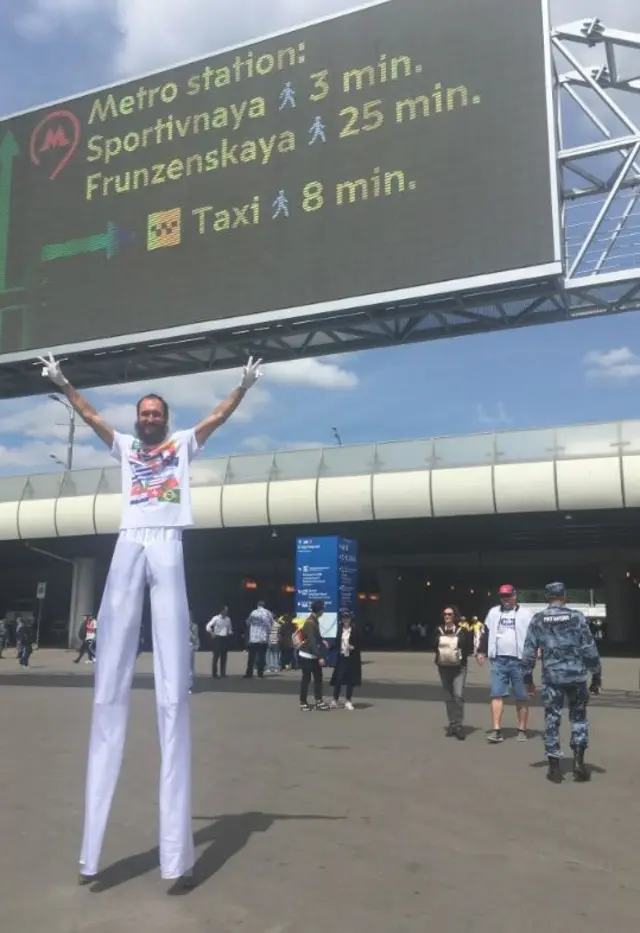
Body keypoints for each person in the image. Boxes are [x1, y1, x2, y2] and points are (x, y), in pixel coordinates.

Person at [38, 350, 262, 887]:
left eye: (156, 411)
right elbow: (91, 416)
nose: (149, 417)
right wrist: (65, 381)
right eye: (144, 412)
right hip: (130, 539)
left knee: (171, 692)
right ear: (138, 417)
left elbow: (217, 418)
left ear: (165, 417)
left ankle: (174, 856)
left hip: (167, 543)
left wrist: (244, 386)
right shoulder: (126, 447)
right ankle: (91, 855)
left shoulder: (182, 444)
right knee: (109, 680)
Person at [521, 582, 602, 784]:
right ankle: (578, 764)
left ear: (548, 597)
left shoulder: (539, 619)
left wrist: (527, 678)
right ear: (565, 596)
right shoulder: (577, 617)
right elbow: (589, 648)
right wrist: (596, 675)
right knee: (579, 718)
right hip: (576, 676)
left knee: (552, 719)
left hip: (552, 678)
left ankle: (554, 768)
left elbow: (529, 651)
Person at [477, 584, 534, 744]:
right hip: (499, 659)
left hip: (519, 660)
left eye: (508, 596)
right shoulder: (494, 612)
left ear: (515, 596)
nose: (505, 599)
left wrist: (535, 652)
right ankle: (497, 730)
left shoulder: (526, 613)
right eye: (502, 596)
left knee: (522, 696)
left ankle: (522, 729)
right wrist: (481, 650)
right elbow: (486, 632)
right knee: (496, 694)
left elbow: (533, 635)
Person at [433, 606, 475, 740]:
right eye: (445, 614)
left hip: (459, 667)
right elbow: (433, 645)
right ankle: (452, 723)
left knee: (458, 696)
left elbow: (468, 647)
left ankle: (458, 725)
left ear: (455, 616)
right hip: (443, 666)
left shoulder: (462, 631)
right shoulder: (438, 630)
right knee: (448, 697)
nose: (447, 616)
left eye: (450, 614)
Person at [298, 600, 330, 711]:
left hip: (312, 654)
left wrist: (322, 641)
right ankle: (303, 702)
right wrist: (320, 656)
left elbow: (316, 636)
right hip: (307, 655)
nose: (324, 611)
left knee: (318, 678)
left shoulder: (313, 620)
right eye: (323, 609)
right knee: (306, 679)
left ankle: (318, 700)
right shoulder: (310, 623)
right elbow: (311, 642)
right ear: (319, 610)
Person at [329, 610, 362, 710]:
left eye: (347, 618)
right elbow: (336, 642)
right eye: (344, 618)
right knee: (338, 679)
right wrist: (329, 646)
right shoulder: (340, 630)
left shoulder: (355, 630)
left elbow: (360, 643)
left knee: (350, 680)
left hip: (352, 658)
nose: (346, 620)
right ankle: (335, 700)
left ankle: (348, 701)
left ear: (351, 619)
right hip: (342, 657)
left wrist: (354, 647)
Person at [244, 601, 273, 678]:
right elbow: (271, 623)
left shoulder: (253, 612)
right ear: (264, 605)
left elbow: (248, 623)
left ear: (257, 605)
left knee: (251, 657)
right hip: (263, 639)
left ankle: (249, 673)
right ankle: (260, 674)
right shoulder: (268, 613)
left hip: (253, 638)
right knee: (261, 657)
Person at [205, 606, 233, 678]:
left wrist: (230, 633)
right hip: (217, 638)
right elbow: (208, 626)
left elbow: (229, 629)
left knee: (224, 657)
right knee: (216, 657)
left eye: (227, 610)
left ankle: (223, 673)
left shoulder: (228, 619)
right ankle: (214, 674)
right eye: (225, 610)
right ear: (222, 611)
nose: (227, 612)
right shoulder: (216, 618)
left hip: (224, 638)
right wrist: (211, 632)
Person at [189, 614, 200, 694]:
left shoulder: (194, 626)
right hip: (182, 648)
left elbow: (195, 638)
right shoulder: (181, 625)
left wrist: (196, 646)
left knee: (190, 668)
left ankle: (189, 685)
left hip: (190, 647)